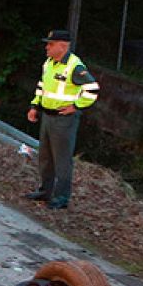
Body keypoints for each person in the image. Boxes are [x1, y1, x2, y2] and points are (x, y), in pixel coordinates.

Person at [24, 29, 99, 209]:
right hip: (48, 116)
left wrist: (76, 106)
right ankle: (45, 191)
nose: (47, 48)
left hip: (64, 120)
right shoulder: (49, 63)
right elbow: (42, 85)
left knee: (62, 160)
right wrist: (35, 106)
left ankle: (61, 198)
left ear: (62, 46)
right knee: (45, 156)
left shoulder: (74, 66)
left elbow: (93, 89)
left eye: (51, 44)